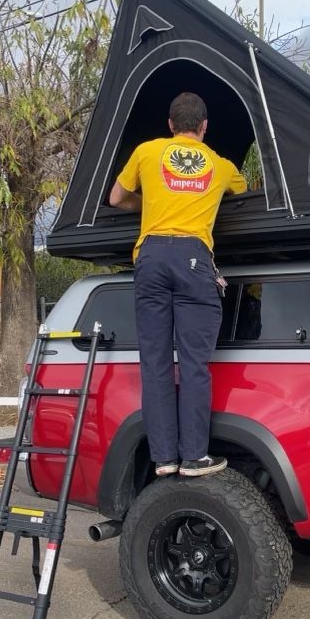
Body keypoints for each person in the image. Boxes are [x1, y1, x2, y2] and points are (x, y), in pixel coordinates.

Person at [109, 92, 247, 477]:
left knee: (154, 362)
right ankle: (194, 457)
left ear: (170, 126)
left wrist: (149, 200)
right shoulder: (220, 165)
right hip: (193, 257)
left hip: (150, 256)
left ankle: (164, 458)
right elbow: (244, 192)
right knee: (194, 364)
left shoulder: (148, 151)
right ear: (204, 127)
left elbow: (116, 197)